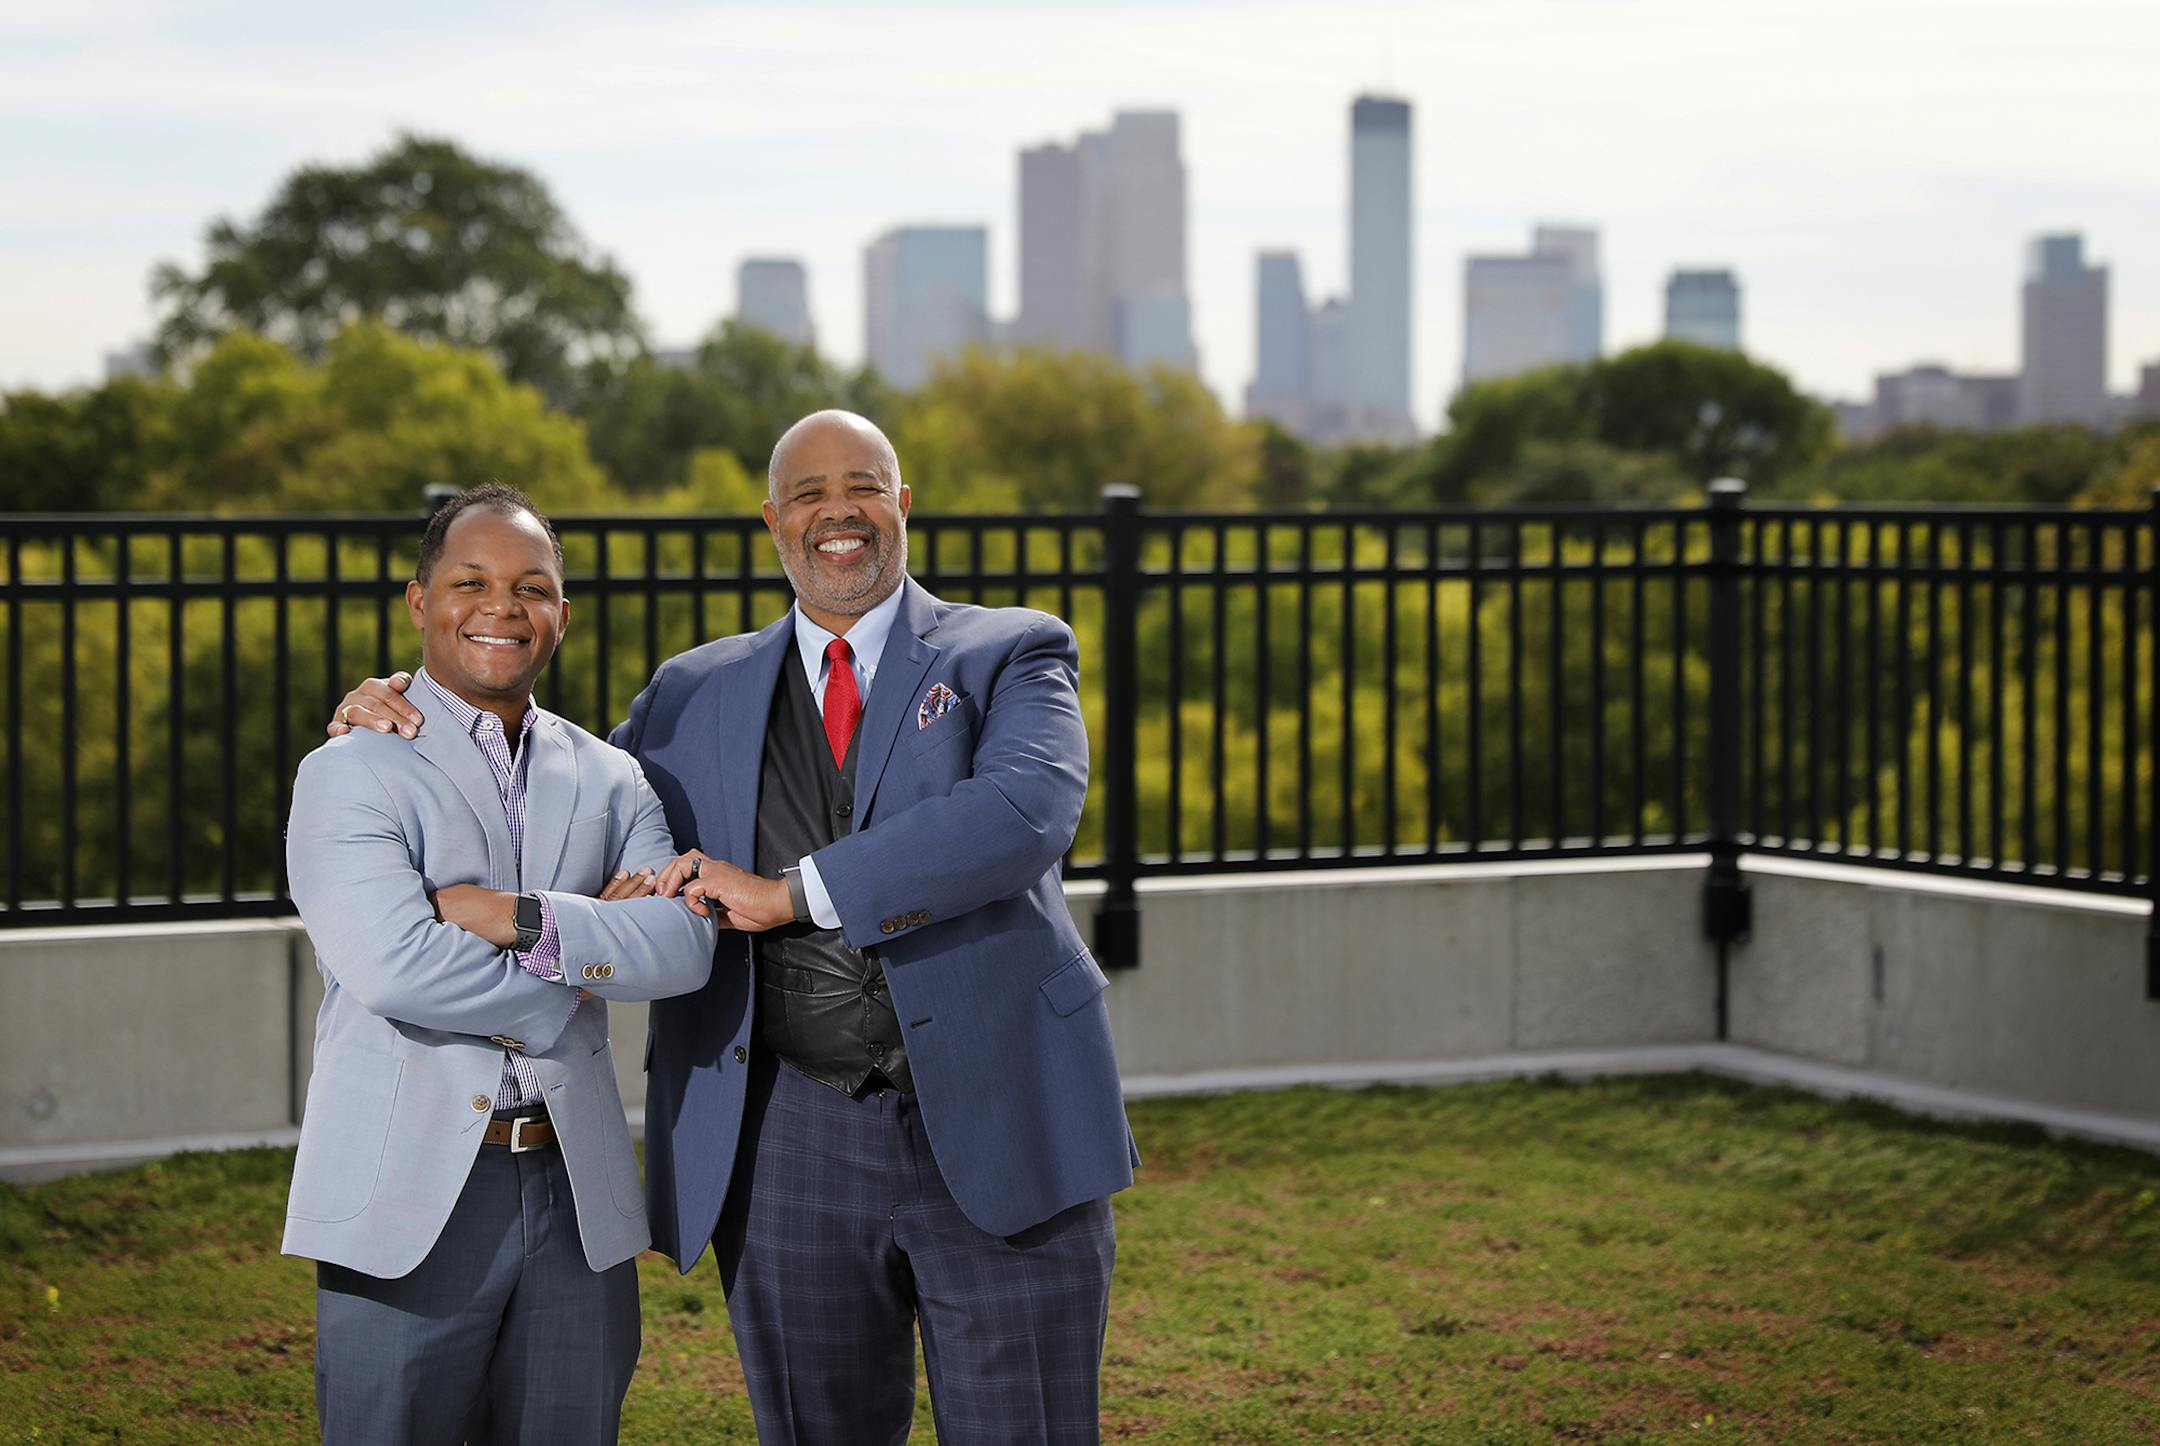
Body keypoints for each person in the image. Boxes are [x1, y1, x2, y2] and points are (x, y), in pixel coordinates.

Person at [330, 412, 1137, 1443]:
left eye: (862, 486)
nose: (836, 512)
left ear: (903, 505)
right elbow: (555, 803)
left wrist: (790, 891)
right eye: (808, 493)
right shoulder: (688, 692)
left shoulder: (1011, 651)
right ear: (772, 521)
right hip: (784, 1134)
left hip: (1003, 1115)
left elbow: (1022, 815)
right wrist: (407, 703)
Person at [288, 484, 717, 1444]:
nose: (501, 607)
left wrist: (505, 917)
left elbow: (684, 948)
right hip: (407, 1198)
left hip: (578, 1197)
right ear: (419, 601)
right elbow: (395, 966)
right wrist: (584, 961)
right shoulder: (350, 768)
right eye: (470, 581)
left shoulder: (613, 777)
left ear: (562, 613)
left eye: (531, 587)